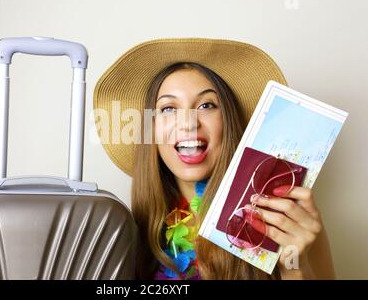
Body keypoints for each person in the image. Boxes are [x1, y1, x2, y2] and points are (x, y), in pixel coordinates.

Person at [93, 38, 335, 280]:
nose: (188, 123)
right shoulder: (124, 233)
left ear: (228, 124)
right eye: (168, 109)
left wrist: (295, 267)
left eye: (207, 105)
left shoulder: (290, 221)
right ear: (151, 130)